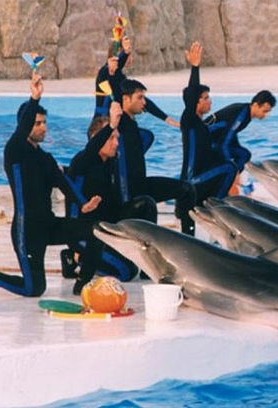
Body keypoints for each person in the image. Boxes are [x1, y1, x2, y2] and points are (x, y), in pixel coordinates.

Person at [0, 72, 104, 296]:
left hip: (48, 225)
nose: (43, 127)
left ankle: (82, 284)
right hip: (27, 231)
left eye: (44, 123)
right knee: (33, 288)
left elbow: (64, 183)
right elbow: (22, 130)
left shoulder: (45, 158)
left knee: (96, 230)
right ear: (25, 126)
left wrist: (83, 204)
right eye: (37, 124)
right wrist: (35, 98)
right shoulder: (15, 152)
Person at [61, 102, 157, 282]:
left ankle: (150, 265)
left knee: (146, 204)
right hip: (83, 232)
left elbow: (146, 137)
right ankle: (73, 256)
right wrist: (111, 125)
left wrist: (125, 120)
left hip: (106, 225)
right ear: (96, 138)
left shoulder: (111, 161)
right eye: (111, 138)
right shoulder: (83, 161)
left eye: (116, 138)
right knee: (126, 272)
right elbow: (92, 148)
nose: (116, 143)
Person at [105, 76, 196, 230]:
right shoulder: (120, 123)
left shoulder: (132, 124)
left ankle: (188, 236)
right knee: (148, 204)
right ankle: (151, 240)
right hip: (127, 195)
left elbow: (150, 108)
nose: (144, 102)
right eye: (140, 98)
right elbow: (113, 84)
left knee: (187, 189)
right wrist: (115, 69)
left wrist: (167, 119)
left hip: (141, 185)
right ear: (125, 99)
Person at [179, 42, 238, 235]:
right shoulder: (189, 120)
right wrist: (195, 68)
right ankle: (215, 209)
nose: (210, 101)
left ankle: (211, 204)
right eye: (205, 98)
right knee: (229, 168)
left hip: (199, 179)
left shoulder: (200, 125)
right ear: (195, 102)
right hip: (191, 181)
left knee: (226, 164)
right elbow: (191, 96)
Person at [94, 36, 179, 128]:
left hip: (115, 123)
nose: (131, 58)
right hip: (101, 125)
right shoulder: (104, 73)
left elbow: (141, 100)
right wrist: (125, 53)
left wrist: (168, 120)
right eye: (129, 55)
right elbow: (117, 64)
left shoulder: (120, 77)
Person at [205, 90, 276, 172]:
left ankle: (231, 176)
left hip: (212, 140)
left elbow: (231, 134)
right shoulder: (241, 114)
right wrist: (229, 164)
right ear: (256, 105)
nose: (266, 115)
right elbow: (224, 141)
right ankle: (231, 177)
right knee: (243, 155)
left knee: (243, 154)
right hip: (203, 142)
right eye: (265, 111)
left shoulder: (245, 111)